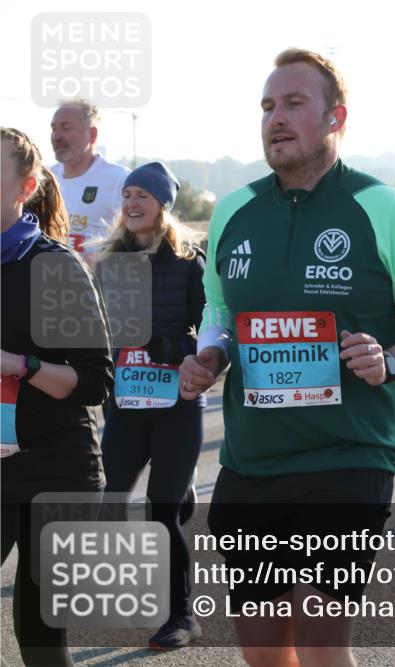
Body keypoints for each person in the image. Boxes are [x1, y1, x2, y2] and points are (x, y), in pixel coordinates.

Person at [178, 49, 395, 667]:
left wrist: (393, 359)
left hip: (348, 455)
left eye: (294, 104)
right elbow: (219, 313)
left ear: (336, 117)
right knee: (261, 648)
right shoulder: (233, 211)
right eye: (268, 106)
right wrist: (209, 357)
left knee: (320, 635)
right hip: (252, 459)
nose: (275, 118)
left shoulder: (381, 206)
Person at [2, 127, 114, 667]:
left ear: (24, 187)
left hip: (57, 471)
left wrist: (16, 366)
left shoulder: (54, 267)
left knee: (41, 639)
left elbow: (94, 381)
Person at [96, 162, 207, 648]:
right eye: (127, 195)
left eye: (143, 194)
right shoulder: (108, 261)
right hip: (125, 405)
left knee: (158, 513)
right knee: (111, 499)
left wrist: (176, 349)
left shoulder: (188, 261)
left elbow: (213, 334)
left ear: (163, 204)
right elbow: (94, 331)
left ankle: (180, 616)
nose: (132, 203)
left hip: (174, 407)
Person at [49, 99, 130, 256]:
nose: (57, 136)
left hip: (97, 279)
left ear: (92, 134)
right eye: (54, 129)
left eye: (66, 128)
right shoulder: (45, 179)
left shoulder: (120, 179)